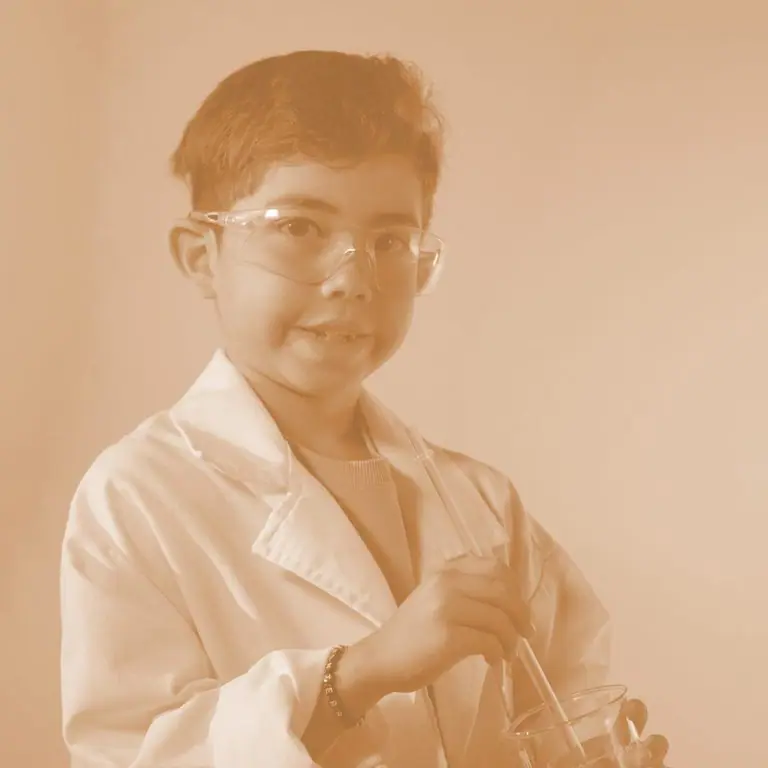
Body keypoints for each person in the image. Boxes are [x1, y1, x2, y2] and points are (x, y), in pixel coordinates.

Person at [59, 50, 670, 768]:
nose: (352, 279)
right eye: (299, 228)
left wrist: (591, 755)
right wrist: (361, 674)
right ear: (201, 255)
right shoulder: (138, 495)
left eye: (389, 241)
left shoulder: (481, 504)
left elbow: (563, 705)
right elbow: (136, 754)